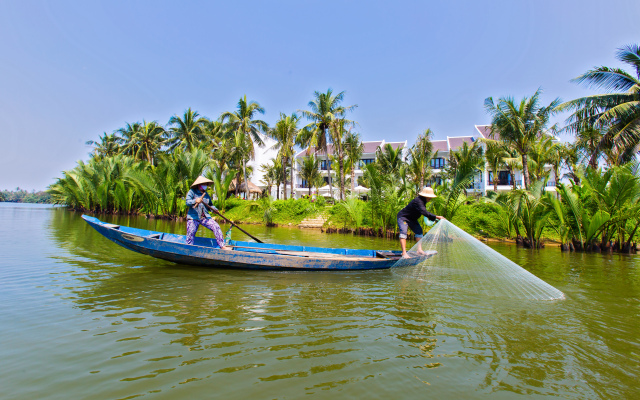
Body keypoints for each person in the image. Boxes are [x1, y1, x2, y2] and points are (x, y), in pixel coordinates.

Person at [185, 176, 232, 250]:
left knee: (216, 226)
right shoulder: (192, 192)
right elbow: (187, 202)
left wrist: (214, 210)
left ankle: (222, 246)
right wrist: (195, 201)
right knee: (191, 231)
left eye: (206, 184)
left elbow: (210, 205)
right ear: (199, 185)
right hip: (193, 217)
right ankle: (188, 247)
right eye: (204, 184)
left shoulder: (206, 195)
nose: (205, 185)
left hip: (204, 217)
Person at [397, 186, 445, 258]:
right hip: (403, 218)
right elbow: (424, 212)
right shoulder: (418, 201)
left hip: (412, 219)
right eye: (429, 196)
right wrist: (437, 217)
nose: (430, 198)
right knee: (403, 232)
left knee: (419, 231)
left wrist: (434, 219)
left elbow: (424, 213)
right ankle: (404, 253)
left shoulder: (423, 201)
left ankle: (419, 250)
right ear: (425, 196)